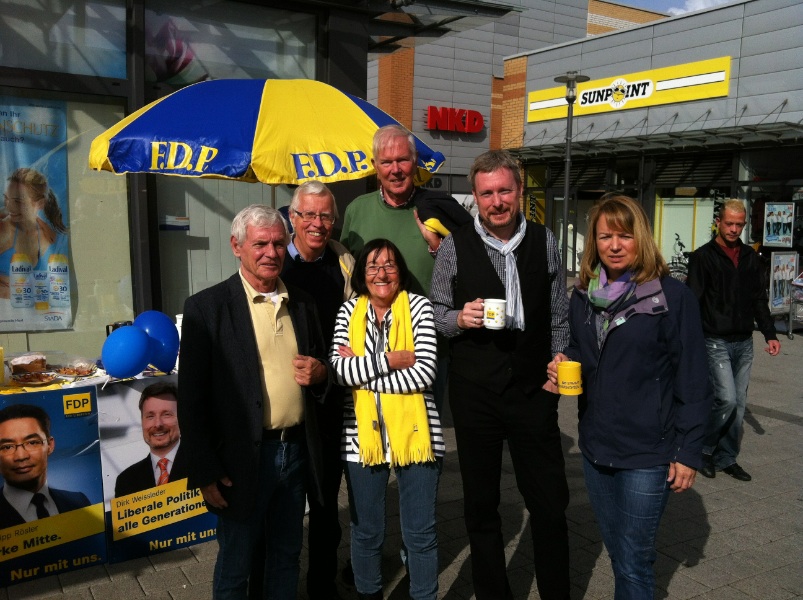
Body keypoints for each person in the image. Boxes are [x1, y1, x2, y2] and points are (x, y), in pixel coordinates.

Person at [547, 193, 711, 598]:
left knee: (635, 561)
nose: (614, 245)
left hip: (647, 452)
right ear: (594, 243)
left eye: (624, 236)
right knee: (619, 551)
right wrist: (563, 363)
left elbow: (693, 378)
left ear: (641, 239)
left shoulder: (672, 297)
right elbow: (586, 356)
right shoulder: (583, 295)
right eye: (605, 237)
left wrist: (689, 451)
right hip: (597, 447)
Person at [429, 149, 571, 600]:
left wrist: (558, 360)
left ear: (519, 190)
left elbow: (559, 315)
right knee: (481, 506)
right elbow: (433, 312)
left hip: (532, 388)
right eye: (487, 193)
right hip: (476, 393)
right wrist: (459, 319)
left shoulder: (546, 241)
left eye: (504, 190)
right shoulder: (454, 245)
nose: (496, 201)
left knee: (549, 504)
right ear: (475, 196)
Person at [178, 204, 330, 600]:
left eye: (279, 243)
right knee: (236, 564)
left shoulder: (303, 303)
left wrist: (321, 372)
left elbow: (322, 368)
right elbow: (191, 401)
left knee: (285, 556)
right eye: (260, 243)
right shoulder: (206, 309)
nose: (271, 252)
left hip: (295, 452)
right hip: (241, 461)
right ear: (236, 246)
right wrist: (205, 471)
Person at [329, 238, 444, 600]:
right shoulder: (348, 311)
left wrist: (361, 370)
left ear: (401, 271)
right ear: (362, 273)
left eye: (390, 265)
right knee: (365, 531)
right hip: (360, 437)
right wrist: (389, 361)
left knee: (420, 532)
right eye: (373, 266)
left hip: (419, 434)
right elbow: (338, 372)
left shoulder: (419, 306)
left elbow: (424, 374)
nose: (382, 273)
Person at [280, 181, 355, 599]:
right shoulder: (274, 261)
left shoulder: (343, 263)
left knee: (325, 507)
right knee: (284, 507)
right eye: (308, 214)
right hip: (282, 406)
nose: (317, 223)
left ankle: (322, 587)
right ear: (292, 217)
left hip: (328, 402)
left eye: (325, 215)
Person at [687, 199, 781, 482]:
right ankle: (703, 448)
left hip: (744, 341)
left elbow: (758, 299)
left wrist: (770, 333)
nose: (734, 229)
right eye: (729, 223)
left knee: (739, 404)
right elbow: (693, 300)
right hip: (714, 338)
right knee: (725, 399)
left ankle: (726, 457)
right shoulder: (703, 256)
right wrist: (687, 340)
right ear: (719, 221)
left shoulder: (751, 258)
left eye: (739, 224)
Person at [340, 124, 470, 298]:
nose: (395, 170)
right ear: (375, 166)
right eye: (386, 162)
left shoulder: (440, 207)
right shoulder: (356, 210)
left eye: (402, 160)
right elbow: (346, 275)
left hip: (430, 322)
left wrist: (438, 247)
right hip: (371, 322)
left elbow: (468, 268)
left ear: (415, 161)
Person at [0, 403, 90, 528]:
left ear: (50, 445)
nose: (21, 456)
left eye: (32, 443)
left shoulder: (79, 502)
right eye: (7, 447)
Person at [0, 167, 69, 298]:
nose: (9, 207)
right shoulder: (4, 229)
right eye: (6, 199)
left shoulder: (50, 237)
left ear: (40, 204)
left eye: (18, 201)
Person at [114, 381, 189, 497]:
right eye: (150, 416)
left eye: (166, 414)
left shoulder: (202, 467)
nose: (158, 424)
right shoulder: (126, 480)